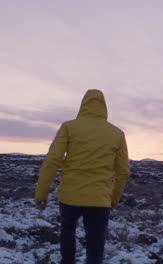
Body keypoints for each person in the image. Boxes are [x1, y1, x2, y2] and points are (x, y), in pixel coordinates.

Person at [35, 89, 130, 264]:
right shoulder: (117, 134)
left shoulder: (69, 127)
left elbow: (52, 161)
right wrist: (113, 199)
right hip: (100, 199)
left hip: (69, 197)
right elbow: (123, 172)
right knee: (96, 241)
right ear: (104, 107)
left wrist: (41, 195)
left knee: (68, 230)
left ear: (83, 105)